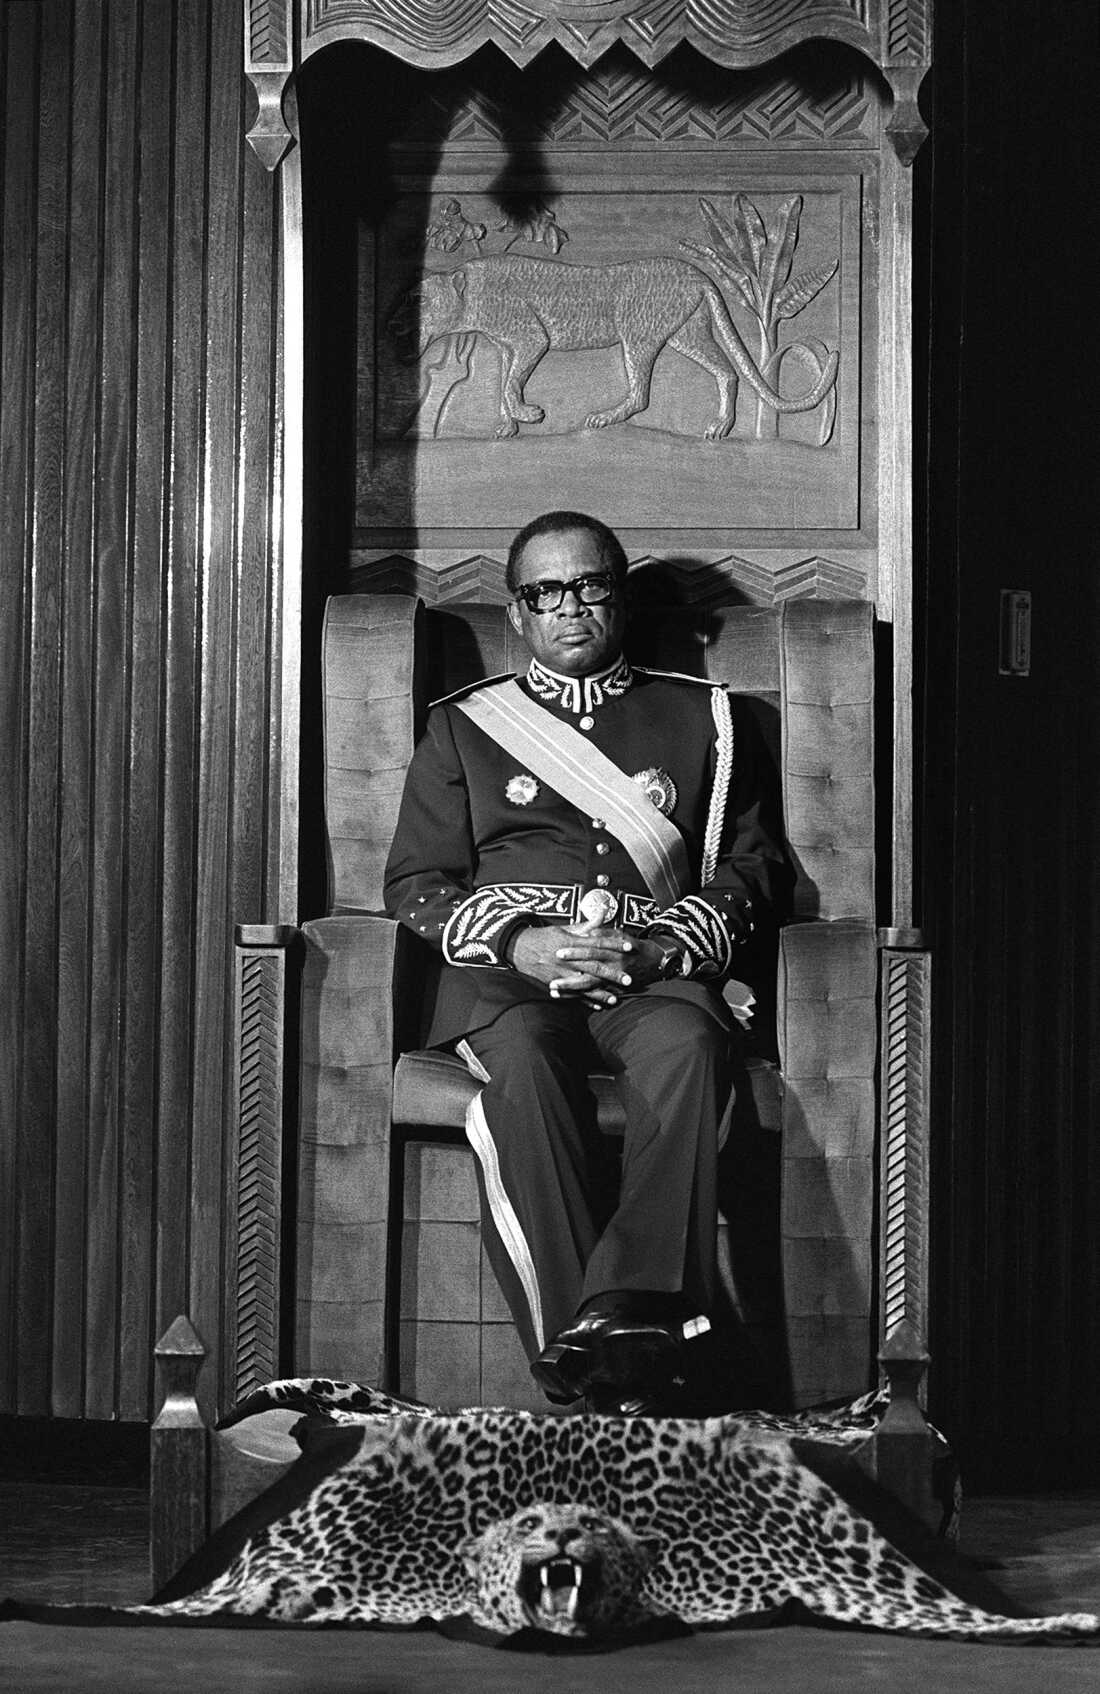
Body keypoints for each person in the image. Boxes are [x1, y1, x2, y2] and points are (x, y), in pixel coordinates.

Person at [383, 511, 792, 1413]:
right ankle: (615, 1371)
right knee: (524, 1069)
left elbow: (753, 870)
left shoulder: (704, 719)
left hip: (650, 972)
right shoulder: (463, 729)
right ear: (519, 614)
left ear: (620, 596)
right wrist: (520, 943)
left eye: (590, 585)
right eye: (545, 593)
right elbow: (415, 884)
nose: (570, 607)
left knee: (690, 1047)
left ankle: (624, 1314)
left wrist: (662, 949)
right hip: (511, 977)